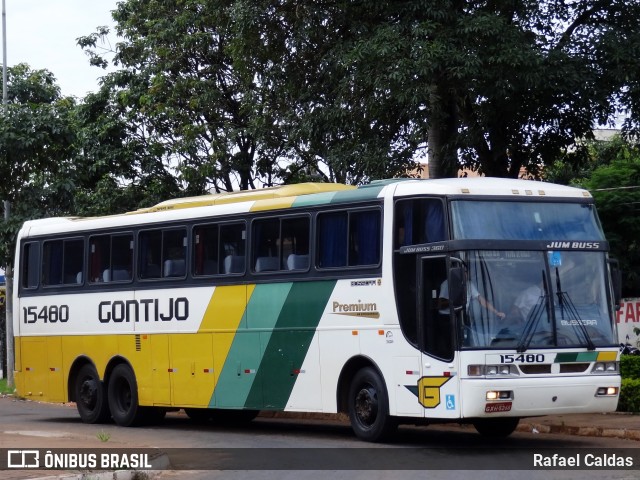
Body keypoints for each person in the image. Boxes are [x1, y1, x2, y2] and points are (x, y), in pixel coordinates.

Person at [438, 280, 505, 318]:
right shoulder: (446, 284)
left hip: (461, 317)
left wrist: (496, 312)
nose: (466, 274)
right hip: (446, 317)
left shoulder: (469, 285)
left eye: (467, 271)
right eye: (464, 271)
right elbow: (440, 303)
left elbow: (481, 300)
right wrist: (455, 301)